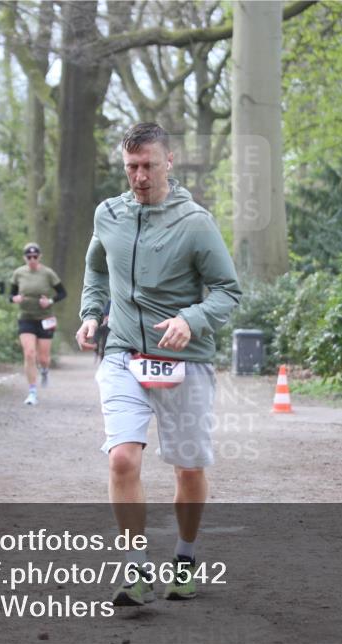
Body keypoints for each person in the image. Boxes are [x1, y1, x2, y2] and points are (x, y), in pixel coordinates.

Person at [75, 122, 241, 606]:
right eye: (131, 167)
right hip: (123, 353)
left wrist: (191, 319)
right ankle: (135, 570)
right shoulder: (108, 214)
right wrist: (90, 313)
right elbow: (95, 265)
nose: (139, 176)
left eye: (148, 165)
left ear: (169, 161)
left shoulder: (195, 223)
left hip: (183, 362)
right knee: (122, 457)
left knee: (188, 469)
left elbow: (229, 292)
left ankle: (185, 558)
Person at [10, 242, 66, 406]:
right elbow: (11, 295)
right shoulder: (18, 273)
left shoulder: (48, 273)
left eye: (35, 256)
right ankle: (32, 392)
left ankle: (45, 370)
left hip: (45, 319)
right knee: (29, 353)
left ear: (39, 257)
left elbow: (62, 293)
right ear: (24, 258)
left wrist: (49, 301)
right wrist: (15, 298)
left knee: (43, 358)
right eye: (29, 257)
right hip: (26, 318)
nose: (32, 259)